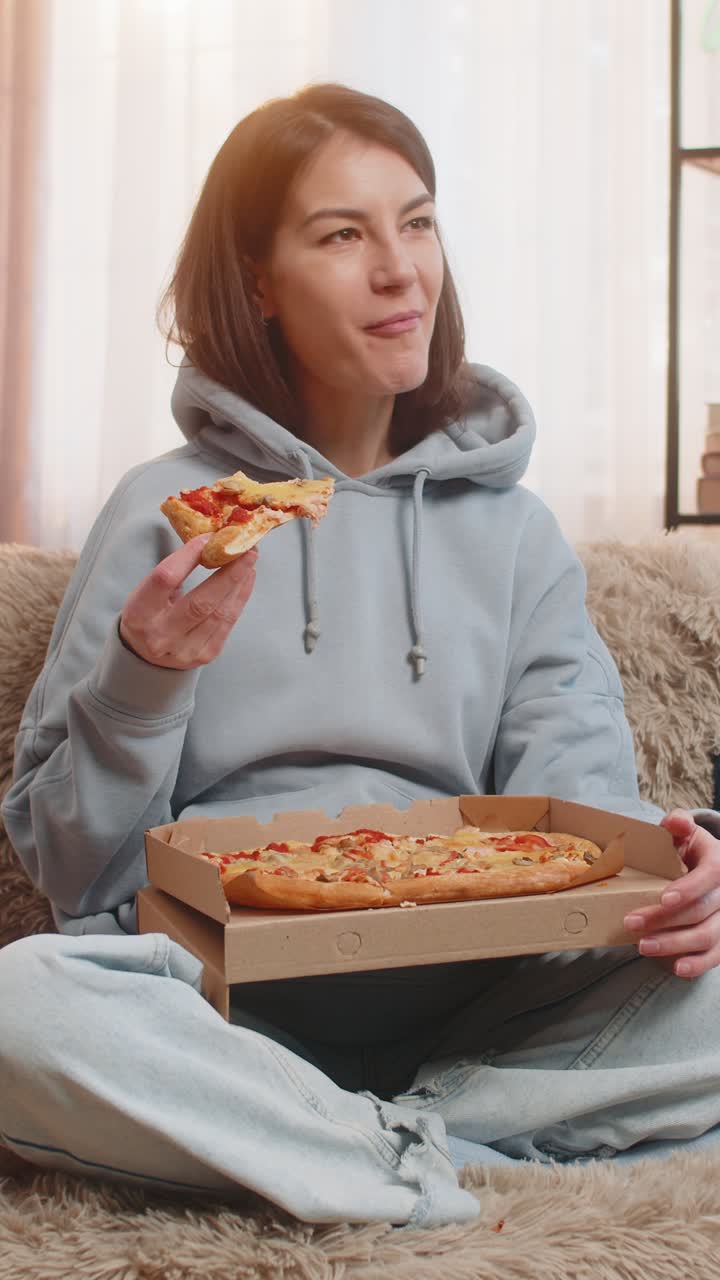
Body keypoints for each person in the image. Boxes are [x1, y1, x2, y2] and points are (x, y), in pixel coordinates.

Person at [2, 82, 720, 1232]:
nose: (402, 271)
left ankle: (359, 1146)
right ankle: (455, 1154)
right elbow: (78, 873)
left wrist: (680, 875)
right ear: (256, 281)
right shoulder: (169, 512)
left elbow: (589, 831)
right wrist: (143, 676)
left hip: (480, 1007)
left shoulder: (515, 533)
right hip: (221, 1015)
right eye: (344, 234)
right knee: (17, 1003)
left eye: (418, 221)